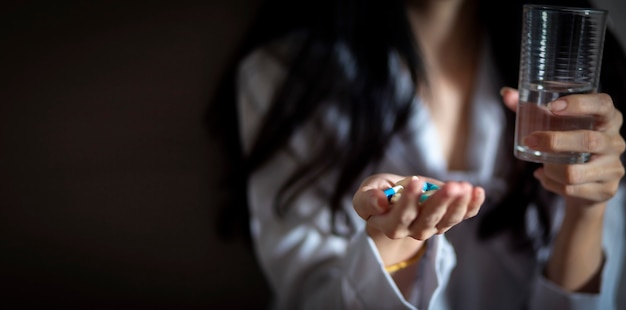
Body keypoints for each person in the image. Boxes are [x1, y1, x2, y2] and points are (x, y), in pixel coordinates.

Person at [209, 0, 626, 308]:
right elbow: (309, 296)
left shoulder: (584, 73)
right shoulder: (284, 77)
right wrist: (394, 248)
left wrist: (588, 212)